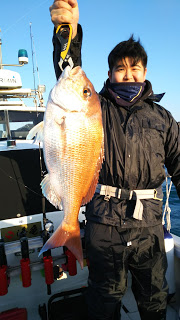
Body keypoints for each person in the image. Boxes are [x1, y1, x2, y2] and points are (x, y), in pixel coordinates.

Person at [49, 1, 180, 319]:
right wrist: (68, 30)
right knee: (104, 301)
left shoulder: (162, 117)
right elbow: (70, 73)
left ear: (145, 72)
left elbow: (178, 165)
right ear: (109, 74)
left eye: (135, 68)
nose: (128, 73)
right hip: (104, 225)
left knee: (154, 300)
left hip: (149, 226)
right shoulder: (96, 109)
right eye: (120, 68)